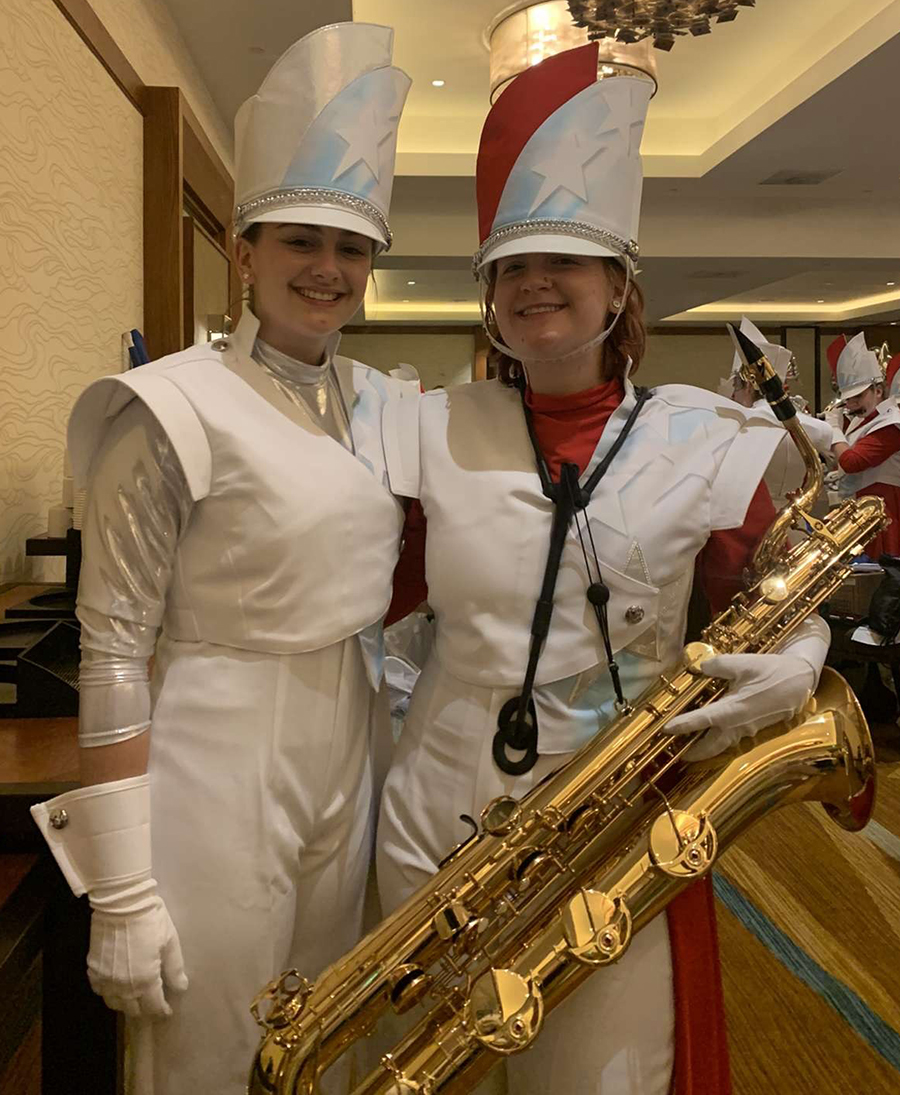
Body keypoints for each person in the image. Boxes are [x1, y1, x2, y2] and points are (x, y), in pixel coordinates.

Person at [378, 43, 829, 1095]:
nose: (536, 285)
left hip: (610, 837)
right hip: (431, 826)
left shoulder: (704, 437)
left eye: (565, 262)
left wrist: (803, 655)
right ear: (488, 294)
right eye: (512, 268)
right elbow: (346, 595)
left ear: (619, 285)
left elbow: (770, 590)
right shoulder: (425, 429)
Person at [30, 23, 414, 1095]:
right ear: (244, 253)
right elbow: (109, 649)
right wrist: (119, 890)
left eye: (351, 249)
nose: (327, 270)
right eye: (298, 241)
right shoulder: (165, 407)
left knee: (328, 1028)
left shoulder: (381, 406)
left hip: (353, 738)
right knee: (206, 1043)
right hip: (216, 745)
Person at [723, 316, 844, 512]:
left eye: (735, 387)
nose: (733, 395)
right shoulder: (817, 428)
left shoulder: (739, 426)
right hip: (798, 517)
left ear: (746, 386)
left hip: (749, 516)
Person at [826, 332, 900, 558]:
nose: (851, 403)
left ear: (878, 391)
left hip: (882, 511)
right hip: (859, 509)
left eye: (858, 396)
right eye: (848, 398)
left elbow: (851, 462)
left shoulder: (890, 424)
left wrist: (833, 429)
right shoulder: (862, 420)